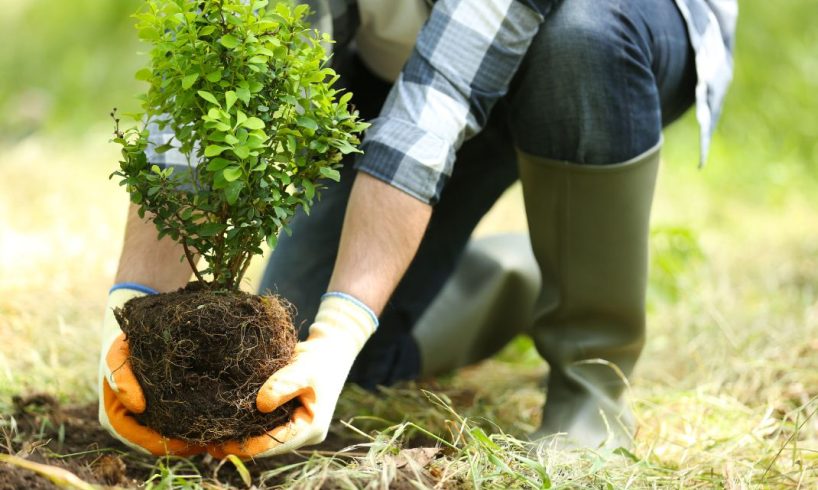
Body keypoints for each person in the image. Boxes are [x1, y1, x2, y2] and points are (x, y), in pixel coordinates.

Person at [99, 0, 737, 457]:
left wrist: (344, 321)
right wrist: (133, 311)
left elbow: (439, 100)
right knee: (312, 360)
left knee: (581, 35)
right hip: (395, 57)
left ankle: (590, 381)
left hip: (602, 43)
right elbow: (235, 49)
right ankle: (520, 273)